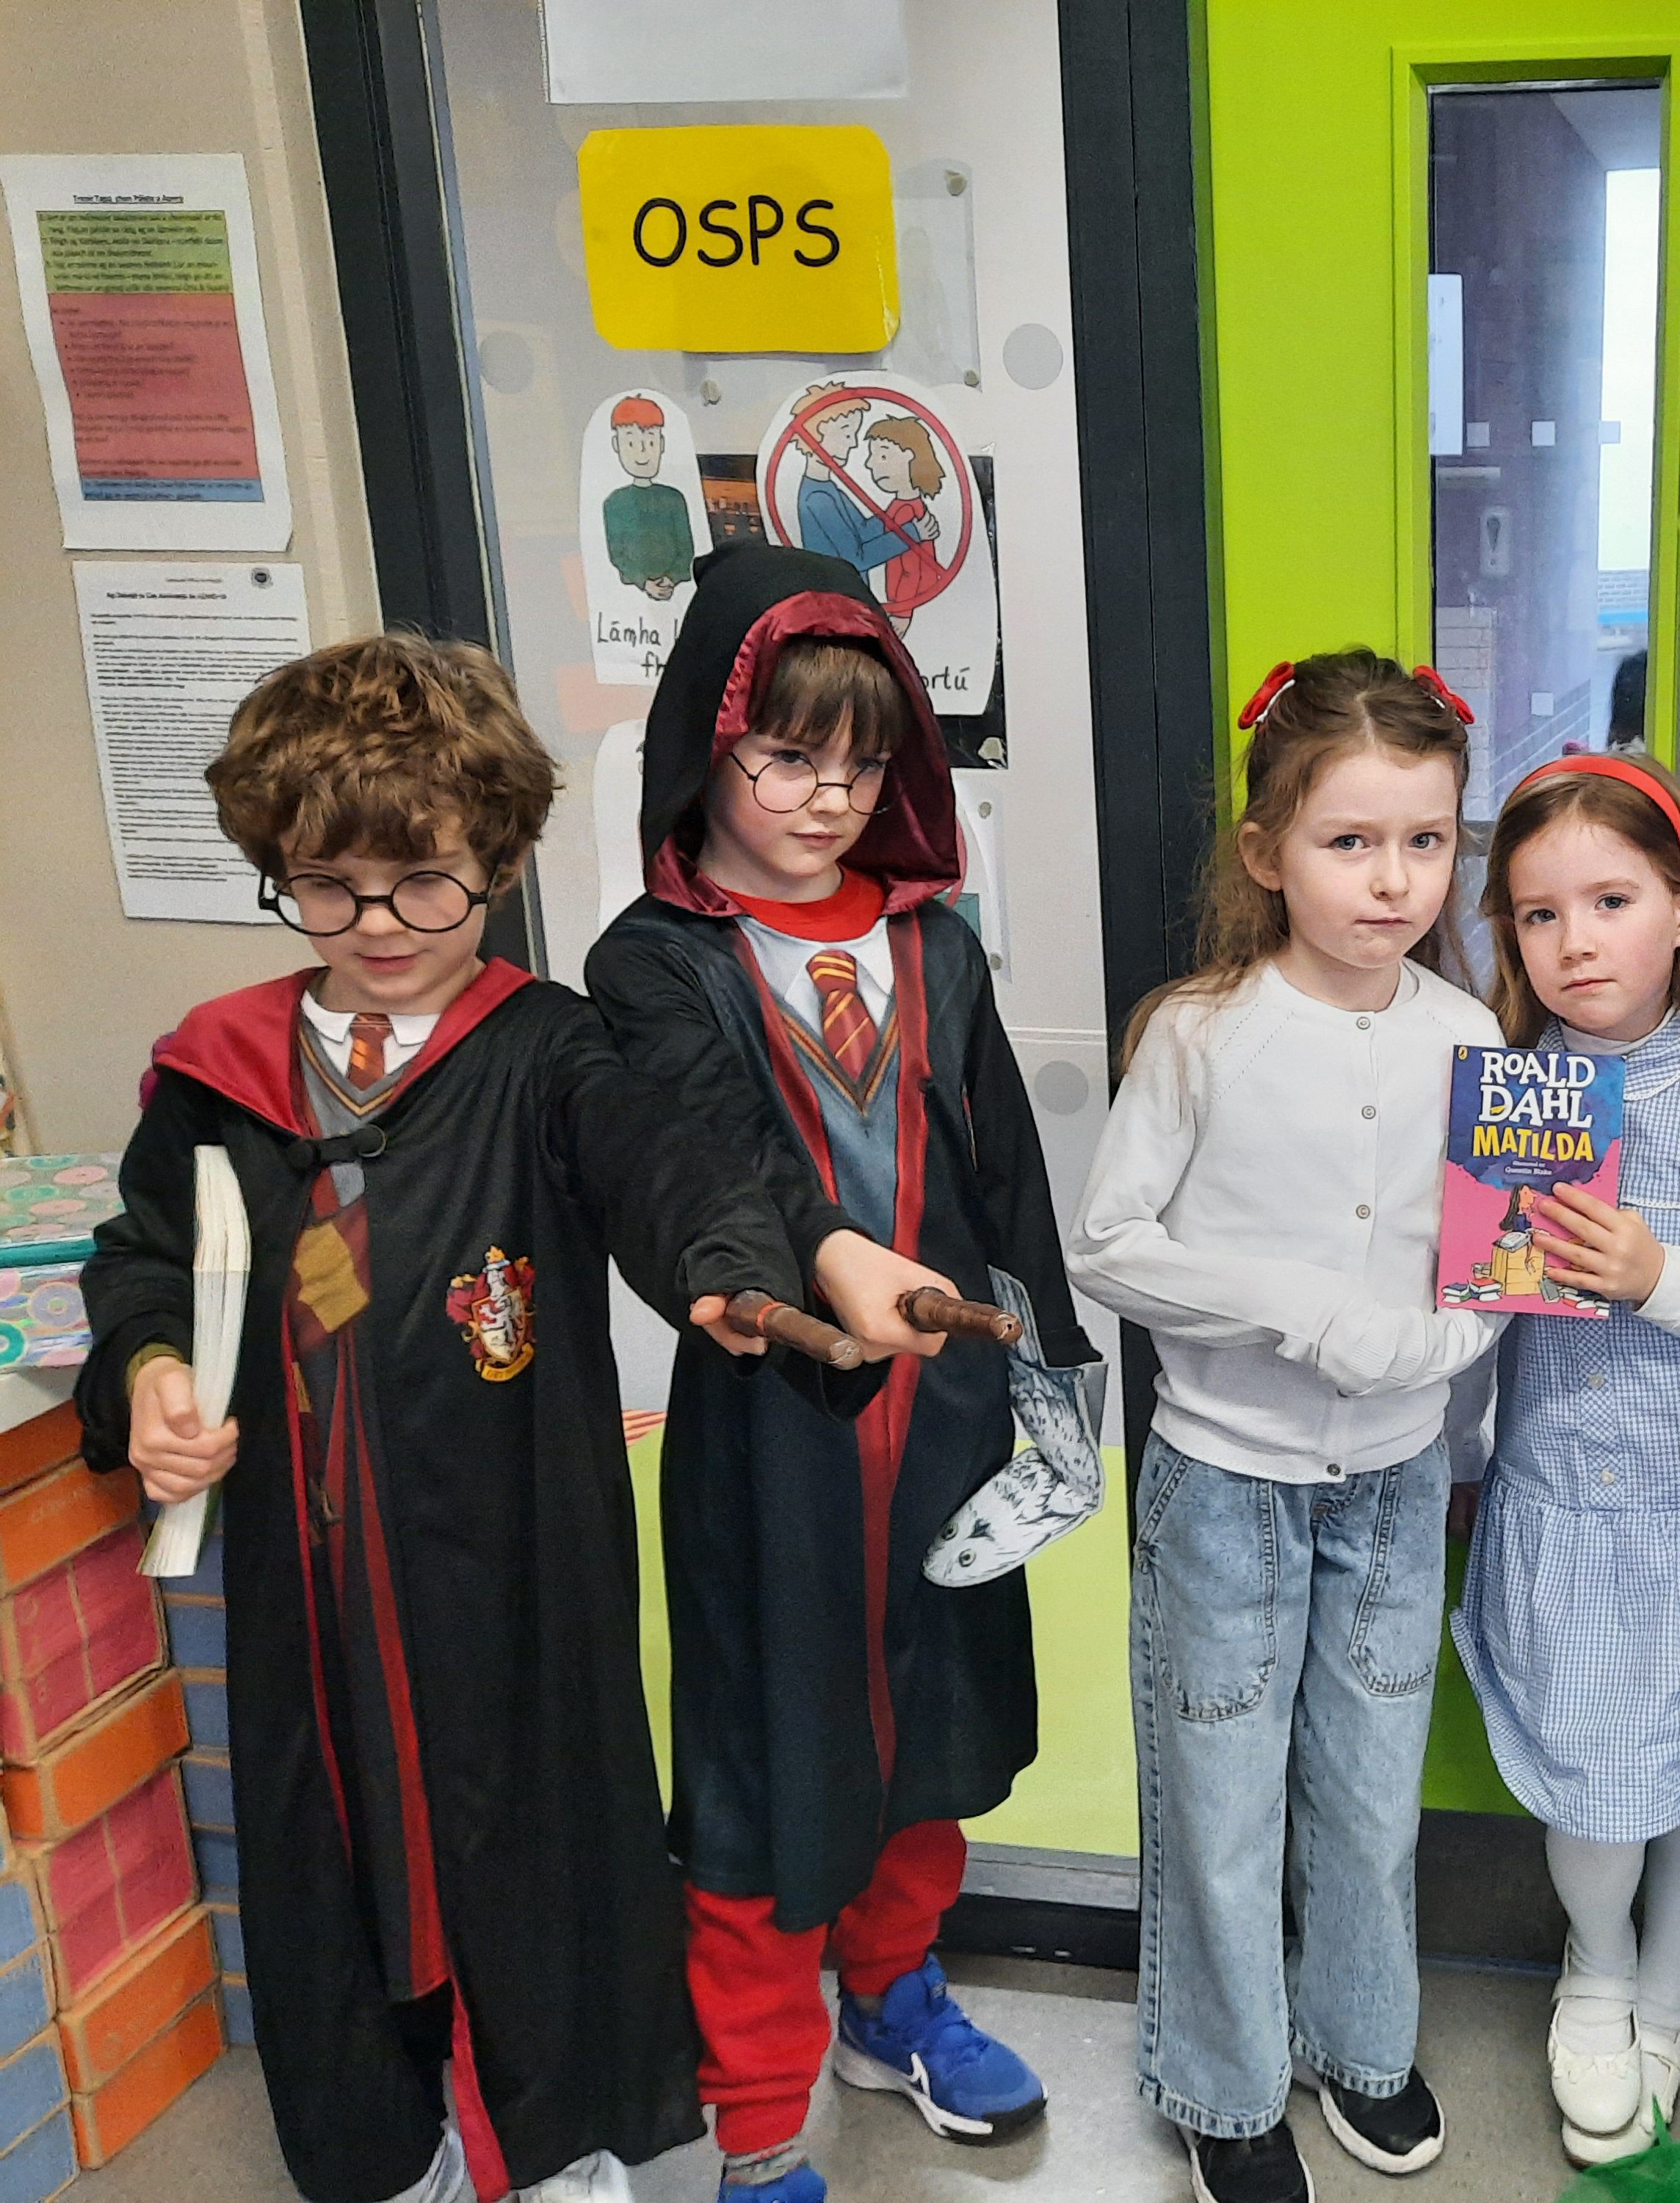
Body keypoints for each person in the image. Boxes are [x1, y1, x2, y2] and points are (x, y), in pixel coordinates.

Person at [78, 634, 912, 2203]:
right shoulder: (217, 1076)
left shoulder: (544, 1053)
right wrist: (151, 1377)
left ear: (500, 863)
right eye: (329, 890)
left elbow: (665, 1169)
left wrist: (736, 1275)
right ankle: (390, 2151)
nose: (380, 928)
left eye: (426, 884)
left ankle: (549, 2143)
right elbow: (145, 1264)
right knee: (343, 1863)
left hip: (517, 1570)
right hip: (313, 1590)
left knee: (535, 1854)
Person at [585, 544, 1098, 2203]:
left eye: (863, 764)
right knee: (764, 1767)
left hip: (946, 1421)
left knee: (932, 1734)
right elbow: (706, 1155)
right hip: (773, 1429)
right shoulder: (656, 959)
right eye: (786, 756)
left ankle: (892, 1999)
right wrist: (814, 1257)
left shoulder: (933, 946)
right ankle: (755, 2128)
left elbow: (1004, 1173)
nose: (826, 798)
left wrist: (1054, 1384)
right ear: (707, 742)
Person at [1066, 651, 1502, 2203]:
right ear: (1266, 852)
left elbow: (1501, 1266)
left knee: (1371, 1795)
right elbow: (1106, 1248)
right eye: (1349, 841)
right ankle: (1225, 2083)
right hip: (1225, 1486)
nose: (1392, 881)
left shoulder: (1476, 1037)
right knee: (1221, 1796)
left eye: (1426, 841)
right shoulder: (1201, 1033)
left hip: (1393, 1486)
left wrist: (1449, 1354)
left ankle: (1361, 2043)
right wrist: (1304, 1312)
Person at [1447, 753, 1680, 2165]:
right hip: (1555, 1504)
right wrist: (1457, 1443)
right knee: (1588, 1767)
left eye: (1611, 902)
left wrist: (1661, 1276)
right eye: (1538, 914)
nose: (1575, 942)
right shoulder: (1501, 1088)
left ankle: (1664, 1993)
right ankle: (1594, 1970)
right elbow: (1473, 1313)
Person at [787, 388, 938, 576]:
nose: (853, 443)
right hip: (837, 590)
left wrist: (897, 508)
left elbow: (863, 530)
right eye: (847, 434)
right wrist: (913, 534)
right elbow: (856, 559)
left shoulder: (829, 489)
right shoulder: (818, 498)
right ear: (820, 431)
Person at [861, 416, 949, 634]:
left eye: (882, 456)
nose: (869, 464)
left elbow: (911, 568)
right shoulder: (901, 505)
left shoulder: (906, 511)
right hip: (911, 598)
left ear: (909, 456)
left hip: (913, 600)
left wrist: (902, 612)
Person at [603, 395, 697, 601]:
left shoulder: (674, 498)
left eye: (651, 442)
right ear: (616, 445)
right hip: (628, 600)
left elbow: (686, 548)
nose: (643, 453)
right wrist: (644, 583)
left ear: (661, 444)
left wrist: (671, 578)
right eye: (631, 443)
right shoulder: (615, 503)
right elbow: (618, 555)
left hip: (680, 597)